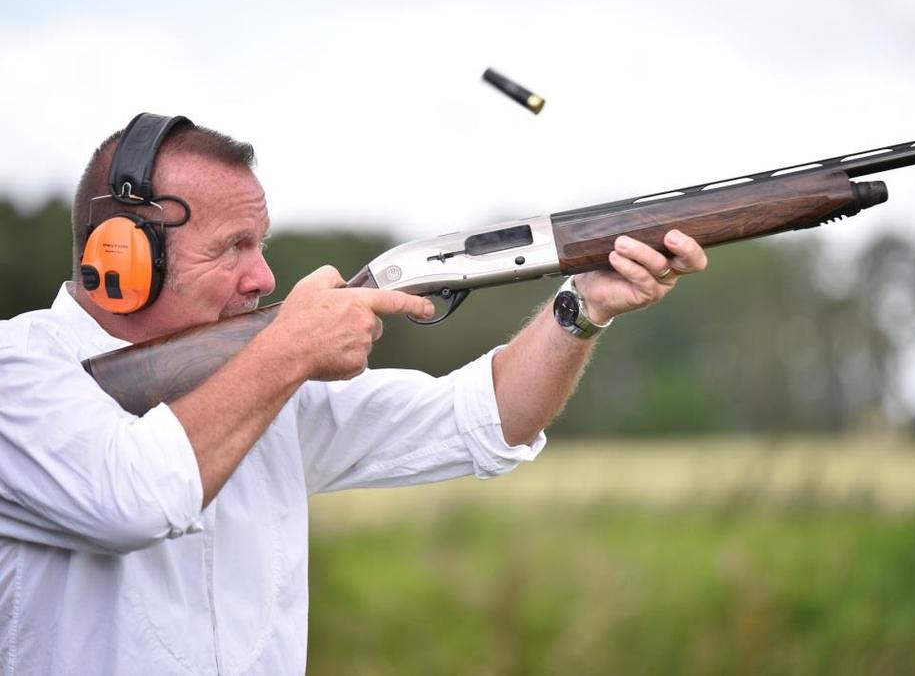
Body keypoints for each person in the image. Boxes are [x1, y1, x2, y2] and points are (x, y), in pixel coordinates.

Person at [0, 114, 706, 674]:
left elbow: (487, 416)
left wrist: (582, 306)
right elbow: (137, 498)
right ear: (119, 258)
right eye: (231, 247)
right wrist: (290, 349)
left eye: (262, 243)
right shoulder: (18, 373)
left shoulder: (262, 381)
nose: (264, 278)